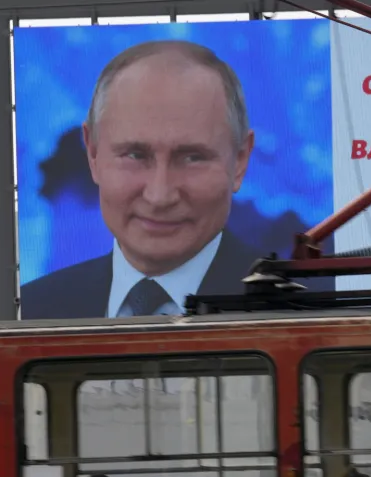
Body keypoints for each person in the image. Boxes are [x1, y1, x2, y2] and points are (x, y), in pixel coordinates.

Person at [20, 40, 267, 320]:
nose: (159, 195)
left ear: (241, 160)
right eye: (135, 155)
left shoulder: (310, 309)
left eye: (192, 157)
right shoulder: (32, 309)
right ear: (93, 153)